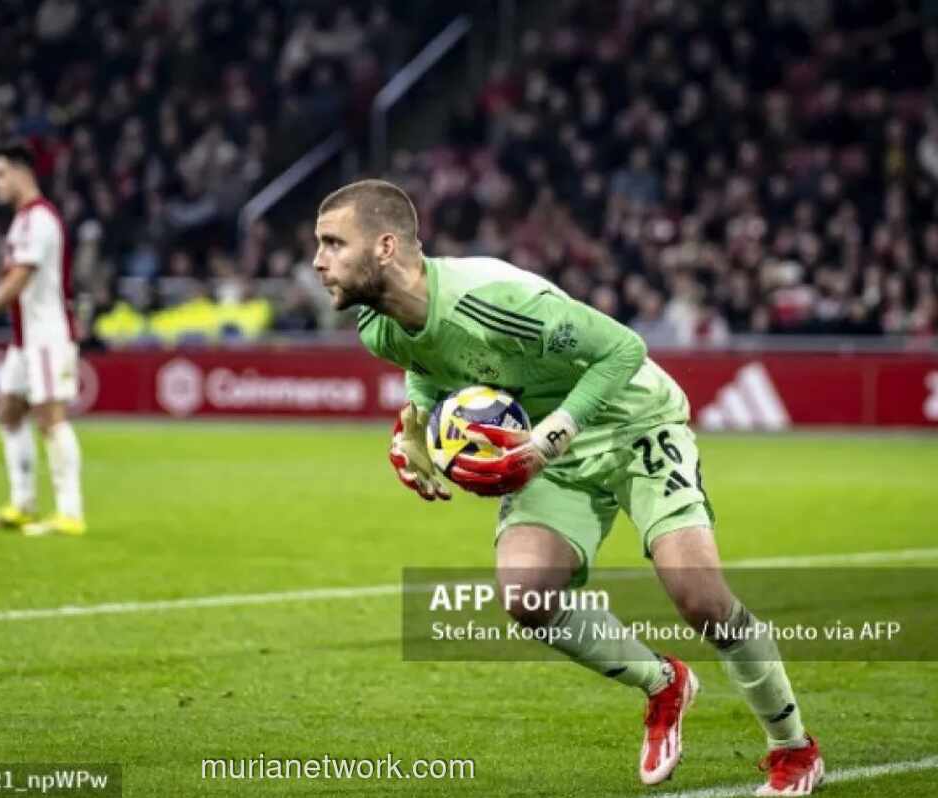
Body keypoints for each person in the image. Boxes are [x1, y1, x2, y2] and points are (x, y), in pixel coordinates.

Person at [313, 179, 823, 796]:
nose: (318, 261)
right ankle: (664, 684)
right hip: (545, 447)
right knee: (525, 595)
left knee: (701, 600)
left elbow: (623, 350)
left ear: (386, 247)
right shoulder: (378, 327)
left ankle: (794, 748)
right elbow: (427, 370)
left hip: (632, 421)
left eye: (333, 244)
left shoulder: (492, 297)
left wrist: (555, 433)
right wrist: (414, 427)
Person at [0, 143, 86, 537]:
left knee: (50, 419)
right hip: (24, 339)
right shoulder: (21, 221)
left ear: (21, 173)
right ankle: (24, 504)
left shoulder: (40, 219)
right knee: (10, 413)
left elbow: (19, 279)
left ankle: (70, 512)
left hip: (47, 335)